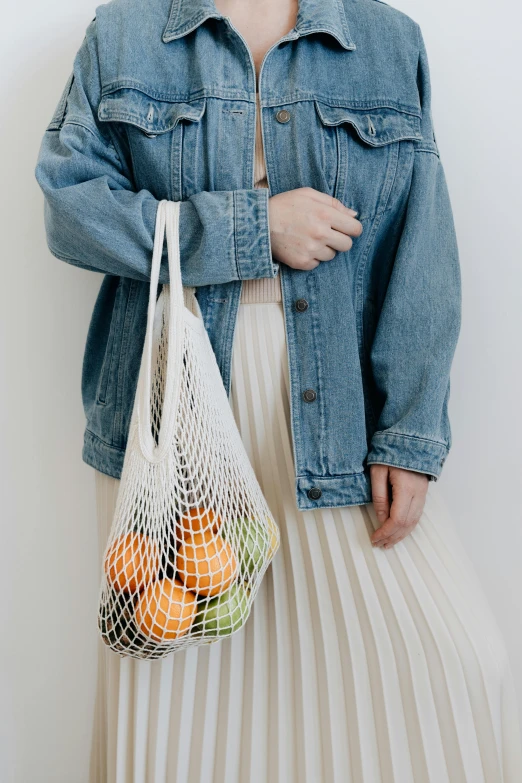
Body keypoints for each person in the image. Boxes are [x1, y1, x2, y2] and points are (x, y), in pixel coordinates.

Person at [34, 0, 522, 780]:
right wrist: (252, 230)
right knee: (178, 685)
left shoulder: (386, 41)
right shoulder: (125, 34)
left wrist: (410, 431)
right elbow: (70, 209)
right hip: (175, 398)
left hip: (335, 412)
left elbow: (421, 242)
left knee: (462, 662)